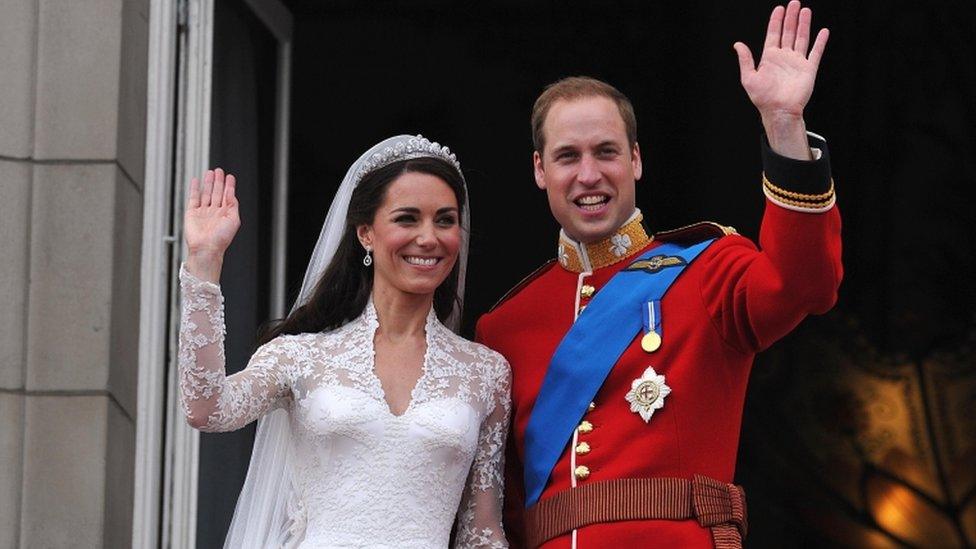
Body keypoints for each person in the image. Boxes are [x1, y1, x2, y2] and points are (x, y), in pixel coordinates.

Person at [475, 2, 841, 548]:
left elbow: (805, 284)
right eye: (568, 156)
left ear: (637, 160)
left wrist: (783, 126)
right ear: (539, 170)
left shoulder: (709, 270)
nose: (589, 174)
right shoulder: (504, 326)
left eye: (606, 152)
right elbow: (497, 509)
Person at [178, 135, 511, 548]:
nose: (429, 237)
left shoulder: (486, 372)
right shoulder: (301, 355)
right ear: (366, 233)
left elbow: (481, 531)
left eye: (444, 220)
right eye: (407, 219)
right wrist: (205, 263)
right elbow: (207, 409)